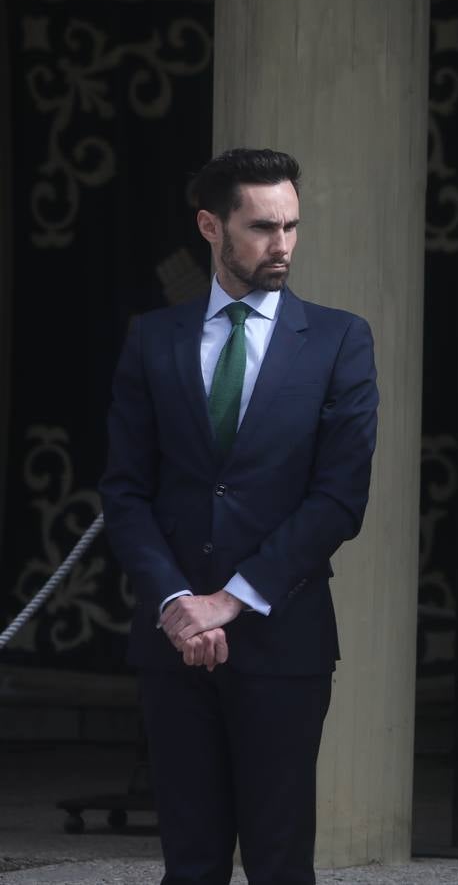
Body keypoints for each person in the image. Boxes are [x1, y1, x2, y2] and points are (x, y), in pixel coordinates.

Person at [99, 147, 378, 885]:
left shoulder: (340, 340)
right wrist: (176, 604)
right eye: (261, 227)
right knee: (189, 861)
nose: (281, 244)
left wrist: (231, 600)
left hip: (282, 638)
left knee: (281, 861)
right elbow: (124, 493)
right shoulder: (152, 340)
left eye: (291, 225)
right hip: (172, 644)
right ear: (210, 227)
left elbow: (339, 500)